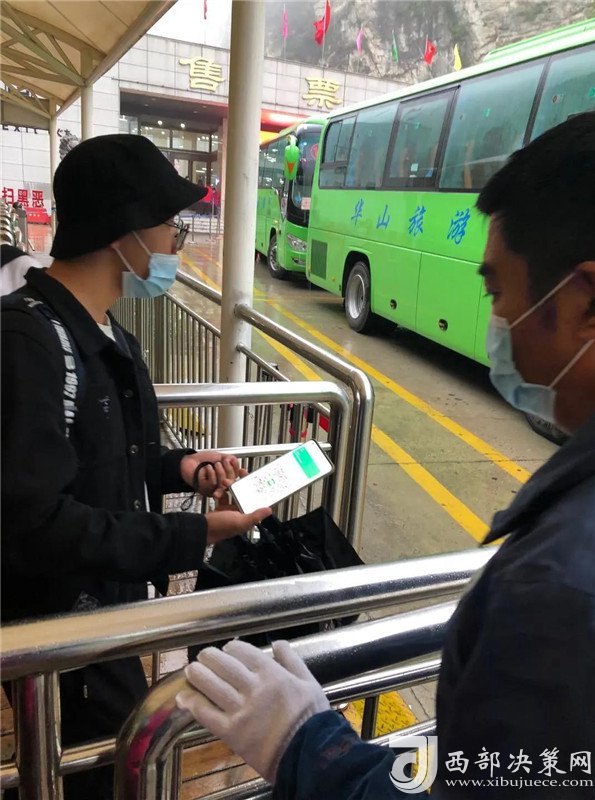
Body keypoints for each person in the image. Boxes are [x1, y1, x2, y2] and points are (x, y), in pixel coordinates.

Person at [176, 111, 595, 797]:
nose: (497, 324)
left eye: (497, 292)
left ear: (587, 302)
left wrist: (309, 748)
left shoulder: (559, 590)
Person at [0, 133, 271, 800]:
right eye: (170, 223)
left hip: (107, 614)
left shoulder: (105, 330)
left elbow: (114, 457)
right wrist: (193, 534)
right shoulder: (26, 340)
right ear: (124, 233)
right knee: (95, 773)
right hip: (62, 634)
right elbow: (34, 521)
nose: (176, 239)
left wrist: (182, 469)